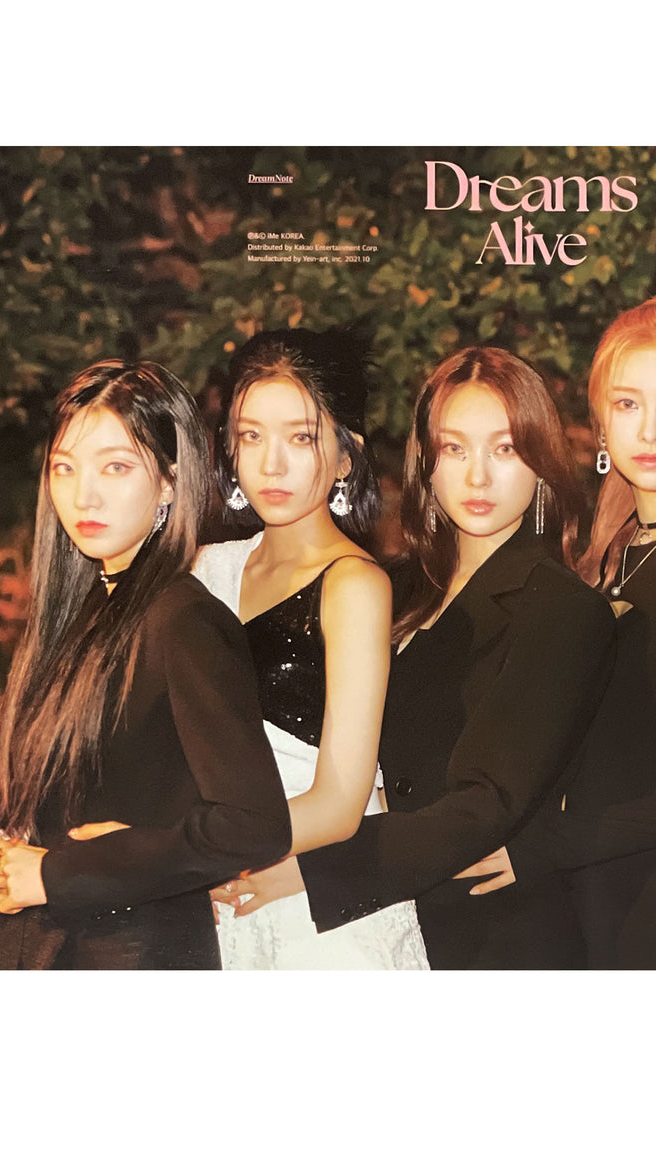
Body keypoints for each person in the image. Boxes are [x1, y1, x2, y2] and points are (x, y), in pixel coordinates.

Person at [216, 346, 616, 969]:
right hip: (381, 919)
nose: (477, 477)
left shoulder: (561, 608)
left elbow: (485, 804)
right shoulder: (394, 585)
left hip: (488, 934)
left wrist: (312, 872)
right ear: (426, 462)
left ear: (541, 462)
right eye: (455, 449)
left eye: (504, 449)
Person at [464, 296, 656, 969]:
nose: (651, 430)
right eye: (628, 403)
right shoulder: (608, 556)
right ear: (602, 422)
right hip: (600, 902)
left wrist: (548, 845)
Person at [0, 360, 291, 969]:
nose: (84, 495)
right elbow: (62, 804)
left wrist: (63, 871)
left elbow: (253, 825)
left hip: (128, 957)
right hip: (40, 951)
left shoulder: (183, 618)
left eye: (116, 466)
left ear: (169, 482)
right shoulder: (76, 615)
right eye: (65, 467)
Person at [194, 328, 428, 969]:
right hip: (218, 895)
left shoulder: (355, 585)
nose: (271, 464)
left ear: (346, 456)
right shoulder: (204, 569)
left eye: (300, 437)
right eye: (251, 436)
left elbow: (340, 803)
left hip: (318, 913)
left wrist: (193, 852)